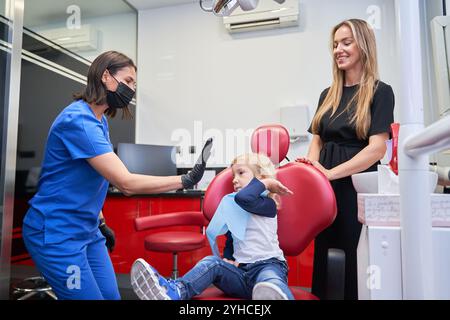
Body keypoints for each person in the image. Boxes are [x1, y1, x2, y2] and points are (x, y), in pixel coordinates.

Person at [21, 51, 213, 300]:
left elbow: (93, 178)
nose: (132, 89)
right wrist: (185, 180)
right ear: (106, 77)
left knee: (112, 296)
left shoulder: (99, 121)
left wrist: (100, 221)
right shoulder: (78, 121)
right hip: (57, 235)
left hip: (87, 231)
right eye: (129, 81)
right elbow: (126, 182)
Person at [296, 19, 395, 300]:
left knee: (352, 255)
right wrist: (313, 176)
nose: (338, 49)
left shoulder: (380, 92)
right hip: (325, 189)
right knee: (325, 254)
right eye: (335, 44)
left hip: (355, 187)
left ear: (363, 46)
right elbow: (317, 139)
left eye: (346, 42)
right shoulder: (327, 95)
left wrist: (330, 174)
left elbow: (376, 148)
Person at [130, 153, 294, 300]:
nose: (234, 179)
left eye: (241, 173)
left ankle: (274, 294)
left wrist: (266, 183)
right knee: (212, 263)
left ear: (261, 178)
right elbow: (232, 238)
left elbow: (245, 198)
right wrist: (229, 259)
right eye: (233, 175)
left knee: (271, 281)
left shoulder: (267, 204)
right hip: (242, 276)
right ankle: (175, 291)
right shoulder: (236, 208)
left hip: (268, 266)